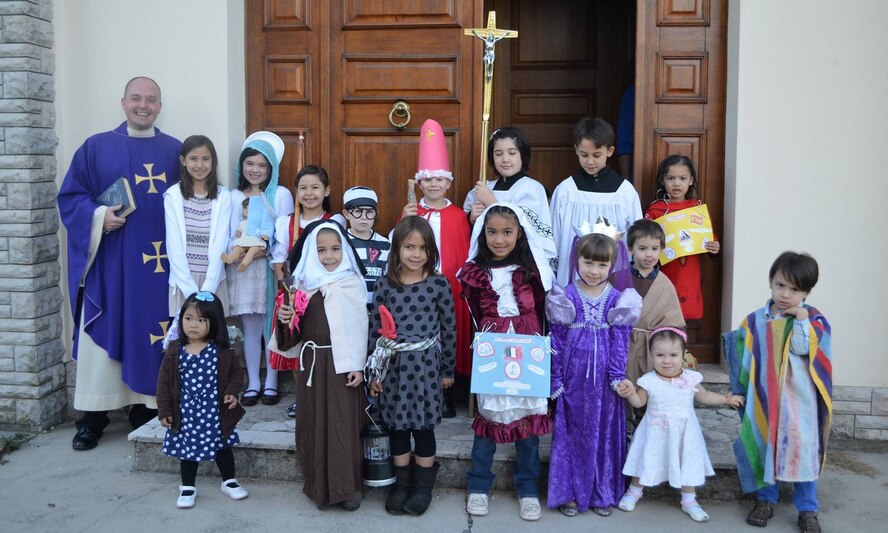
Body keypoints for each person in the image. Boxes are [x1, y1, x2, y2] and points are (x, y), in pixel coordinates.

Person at [58, 76, 182, 451]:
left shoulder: (176, 150)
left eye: (151, 100)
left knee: (150, 331)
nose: (143, 105)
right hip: (110, 262)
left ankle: (144, 410)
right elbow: (71, 198)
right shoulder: (96, 147)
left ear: (160, 106)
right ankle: (92, 418)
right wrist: (98, 217)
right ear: (123, 102)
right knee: (105, 328)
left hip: (157, 268)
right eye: (136, 99)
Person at [458, 203, 555, 521]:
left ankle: (527, 489)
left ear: (519, 234)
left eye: (507, 232)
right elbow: (473, 310)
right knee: (489, 417)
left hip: (527, 346)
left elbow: (542, 307)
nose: (499, 239)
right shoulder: (476, 274)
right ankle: (479, 486)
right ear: (482, 234)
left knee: (528, 422)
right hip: (494, 348)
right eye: (492, 232)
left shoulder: (531, 272)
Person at [725, 252, 831, 533]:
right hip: (767, 398)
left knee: (804, 449)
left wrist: (800, 320)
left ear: (807, 292)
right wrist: (738, 389)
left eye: (795, 290)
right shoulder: (755, 320)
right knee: (766, 444)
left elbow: (801, 348)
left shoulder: (814, 321)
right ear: (771, 282)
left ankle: (807, 508)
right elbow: (741, 354)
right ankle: (765, 499)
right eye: (780, 285)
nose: (785, 294)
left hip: (801, 401)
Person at [545, 221, 641, 517]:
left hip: (604, 383)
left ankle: (601, 493)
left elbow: (621, 342)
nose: (594, 271)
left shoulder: (618, 299)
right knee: (572, 435)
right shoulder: (565, 296)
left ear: (613, 264)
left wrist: (616, 377)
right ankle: (570, 494)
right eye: (588, 263)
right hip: (572, 382)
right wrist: (555, 379)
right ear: (578, 260)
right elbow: (556, 341)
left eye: (602, 265)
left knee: (602, 434)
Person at [276, 220, 368, 510]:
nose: (329, 256)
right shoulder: (301, 287)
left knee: (343, 426)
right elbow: (290, 339)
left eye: (335, 249)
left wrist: (358, 366)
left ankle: (347, 489)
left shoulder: (352, 283)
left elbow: (359, 329)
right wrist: (284, 318)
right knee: (314, 425)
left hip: (344, 368)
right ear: (312, 253)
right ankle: (320, 489)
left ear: (345, 251)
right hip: (312, 366)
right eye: (322, 250)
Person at [368, 216, 456, 516]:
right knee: (398, 428)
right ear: (397, 250)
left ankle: (422, 488)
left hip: (426, 369)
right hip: (394, 368)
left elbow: (449, 327)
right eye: (409, 247)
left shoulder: (438, 284)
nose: (416, 254)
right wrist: (374, 373)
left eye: (422, 248)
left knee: (423, 428)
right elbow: (375, 330)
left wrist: (448, 370)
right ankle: (401, 485)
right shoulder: (385, 285)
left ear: (431, 251)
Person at [617, 327, 744, 522]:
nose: (667, 360)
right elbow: (639, 402)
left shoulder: (690, 378)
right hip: (654, 430)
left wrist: (725, 399)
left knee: (688, 462)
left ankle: (689, 500)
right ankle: (634, 491)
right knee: (646, 458)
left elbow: (704, 396)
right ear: (652, 355)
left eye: (673, 355)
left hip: (685, 432)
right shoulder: (648, 380)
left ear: (683, 355)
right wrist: (630, 393)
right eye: (660, 355)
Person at [401, 118, 470, 414]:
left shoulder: (458, 216)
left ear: (448, 182)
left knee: (450, 331)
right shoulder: (412, 212)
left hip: (451, 286)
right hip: (419, 286)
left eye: (439, 179)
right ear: (419, 183)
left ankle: (450, 390)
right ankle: (426, 392)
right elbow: (401, 247)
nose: (433, 184)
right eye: (427, 179)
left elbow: (465, 251)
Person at [156, 291, 248, 509]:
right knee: (188, 452)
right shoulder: (175, 350)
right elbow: (163, 383)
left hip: (214, 412)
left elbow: (236, 373)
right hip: (186, 412)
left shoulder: (222, 351)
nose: (193, 325)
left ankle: (229, 481)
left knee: (222, 447)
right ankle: (188, 486)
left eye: (201, 320)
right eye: (188, 319)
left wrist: (232, 392)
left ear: (213, 323)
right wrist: (165, 410)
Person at [269, 165, 345, 415]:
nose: (309, 193)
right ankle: (302, 396)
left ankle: (323, 393)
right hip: (294, 293)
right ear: (296, 192)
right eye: (303, 188)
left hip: (322, 294)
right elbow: (279, 260)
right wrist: (288, 289)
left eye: (315, 187)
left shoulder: (334, 222)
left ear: (327, 191)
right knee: (294, 347)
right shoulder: (285, 223)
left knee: (321, 344)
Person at [226, 132, 294, 407]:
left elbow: (285, 232)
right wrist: (240, 247)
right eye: (250, 163)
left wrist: (266, 248)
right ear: (241, 166)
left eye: (262, 165)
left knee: (271, 327)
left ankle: (271, 382)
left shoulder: (279, 194)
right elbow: (229, 232)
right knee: (251, 328)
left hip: (268, 268)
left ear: (272, 168)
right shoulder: (233, 197)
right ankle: (253, 381)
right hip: (243, 271)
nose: (255, 170)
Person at [549, 117, 642, 286]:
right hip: (571, 278)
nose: (590, 161)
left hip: (613, 276)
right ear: (576, 150)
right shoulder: (565, 191)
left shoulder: (625, 192)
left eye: (596, 155)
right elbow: (554, 237)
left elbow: (635, 238)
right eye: (584, 155)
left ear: (610, 150)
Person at [462, 127, 557, 266]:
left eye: (512, 153)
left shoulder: (531, 188)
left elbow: (531, 233)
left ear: (522, 155)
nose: (505, 159)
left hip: (520, 266)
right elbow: (466, 234)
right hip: (487, 264)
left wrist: (491, 203)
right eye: (498, 153)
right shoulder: (484, 188)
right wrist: (471, 218)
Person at [645, 155, 720, 321]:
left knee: (685, 317)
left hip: (689, 272)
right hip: (664, 272)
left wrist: (714, 247)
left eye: (682, 178)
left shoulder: (696, 209)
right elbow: (644, 241)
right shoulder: (656, 210)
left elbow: (708, 238)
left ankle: (680, 347)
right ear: (662, 180)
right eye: (671, 178)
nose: (676, 183)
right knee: (662, 316)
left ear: (691, 180)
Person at [164, 136, 232, 316]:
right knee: (187, 336)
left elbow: (221, 240)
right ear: (183, 161)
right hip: (183, 281)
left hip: (214, 279)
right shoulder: (173, 196)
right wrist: (190, 290)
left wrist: (208, 289)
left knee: (212, 336)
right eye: (194, 159)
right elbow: (174, 244)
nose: (200, 165)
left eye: (206, 159)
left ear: (213, 161)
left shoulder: (223, 196)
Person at [625, 219, 686, 386]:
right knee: (623, 391)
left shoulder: (665, 284)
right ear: (631, 248)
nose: (649, 255)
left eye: (654, 249)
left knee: (649, 392)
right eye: (642, 249)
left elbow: (675, 324)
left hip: (652, 349)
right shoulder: (618, 279)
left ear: (662, 250)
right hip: (622, 345)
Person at [341, 186, 390, 304]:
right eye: (358, 211)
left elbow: (389, 277)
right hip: (349, 307)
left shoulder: (386, 244)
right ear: (346, 214)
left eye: (369, 212)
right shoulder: (341, 242)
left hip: (377, 308)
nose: (364, 217)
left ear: (376, 213)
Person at [221, 199, 273, 272]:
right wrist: (238, 242)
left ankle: (244, 264)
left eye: (247, 207)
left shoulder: (259, 223)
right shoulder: (242, 223)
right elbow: (239, 234)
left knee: (251, 252)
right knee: (238, 249)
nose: (245, 210)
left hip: (256, 242)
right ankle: (230, 258)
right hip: (244, 241)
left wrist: (265, 235)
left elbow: (265, 231)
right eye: (244, 208)